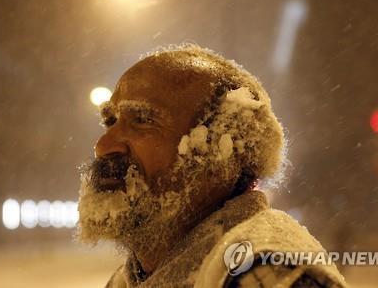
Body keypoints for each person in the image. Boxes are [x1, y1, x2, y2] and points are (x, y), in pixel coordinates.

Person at [78, 44, 347, 287]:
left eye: (143, 120)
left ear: (221, 153)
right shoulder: (128, 280)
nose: (103, 145)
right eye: (110, 121)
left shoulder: (266, 273)